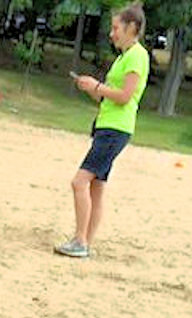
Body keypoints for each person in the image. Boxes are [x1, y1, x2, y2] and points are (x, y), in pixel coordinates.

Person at [56, 3, 149, 259]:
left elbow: (125, 96)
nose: (112, 33)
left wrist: (97, 86)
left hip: (115, 130)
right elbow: (110, 96)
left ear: (132, 28)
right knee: (96, 187)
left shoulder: (137, 56)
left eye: (116, 28)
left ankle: (80, 241)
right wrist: (92, 89)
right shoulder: (124, 57)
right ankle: (85, 240)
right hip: (108, 127)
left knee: (79, 182)